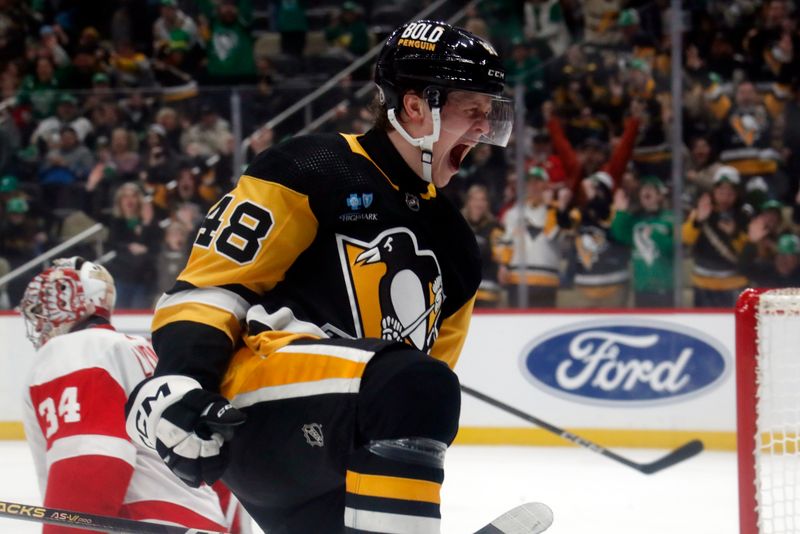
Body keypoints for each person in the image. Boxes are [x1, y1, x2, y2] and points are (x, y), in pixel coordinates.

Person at [125, 20, 512, 532]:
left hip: (337, 444)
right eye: (474, 110)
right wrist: (181, 377)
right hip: (251, 413)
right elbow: (214, 286)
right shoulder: (313, 167)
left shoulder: (459, 246)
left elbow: (425, 385)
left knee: (423, 385)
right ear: (418, 106)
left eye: (490, 114)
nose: (485, 127)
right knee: (413, 383)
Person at [18, 257, 231, 533]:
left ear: (70, 302)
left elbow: (92, 462)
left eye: (41, 311)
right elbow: (218, 466)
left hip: (140, 522)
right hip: (207, 522)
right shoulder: (152, 356)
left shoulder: (73, 351)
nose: (38, 326)